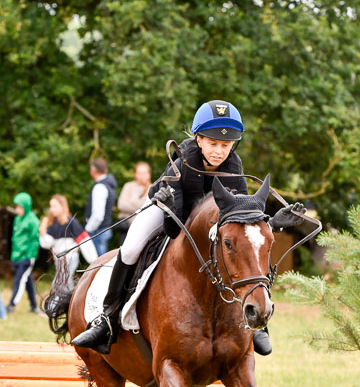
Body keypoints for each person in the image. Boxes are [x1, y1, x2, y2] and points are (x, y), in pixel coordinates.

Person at [72, 100, 305, 355]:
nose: (219, 151)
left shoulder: (233, 165)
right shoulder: (182, 161)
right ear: (199, 140)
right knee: (130, 249)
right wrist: (169, 206)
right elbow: (175, 231)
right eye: (213, 143)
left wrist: (272, 223)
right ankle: (107, 319)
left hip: (207, 219)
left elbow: (242, 220)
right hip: (167, 209)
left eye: (225, 145)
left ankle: (259, 326)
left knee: (243, 253)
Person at [39, 194, 98, 285]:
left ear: (62, 206)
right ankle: (73, 295)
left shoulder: (71, 221)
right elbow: (48, 244)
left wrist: (93, 260)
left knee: (59, 283)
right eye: (51, 206)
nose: (51, 209)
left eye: (54, 206)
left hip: (69, 258)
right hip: (58, 260)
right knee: (66, 283)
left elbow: (84, 241)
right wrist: (43, 232)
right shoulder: (53, 223)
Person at [7, 192, 41, 314]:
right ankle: (34, 306)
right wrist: (14, 255)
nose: (17, 209)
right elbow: (15, 238)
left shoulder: (33, 221)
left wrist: (29, 256)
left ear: (26, 206)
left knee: (19, 279)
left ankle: (12, 304)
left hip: (27, 257)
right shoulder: (17, 219)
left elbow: (35, 240)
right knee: (27, 281)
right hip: (17, 255)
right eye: (16, 206)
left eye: (20, 207)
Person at [84, 158, 118, 257]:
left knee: (98, 263)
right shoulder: (109, 185)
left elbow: (98, 216)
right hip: (104, 229)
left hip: (98, 231)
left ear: (93, 170)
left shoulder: (100, 187)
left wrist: (87, 229)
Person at [116, 162, 152, 245]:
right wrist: (141, 205)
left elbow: (149, 207)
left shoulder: (152, 188)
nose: (141, 176)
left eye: (143, 173)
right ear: (135, 174)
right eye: (139, 173)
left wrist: (132, 202)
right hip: (126, 228)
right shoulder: (128, 186)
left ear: (149, 174)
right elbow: (121, 205)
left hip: (142, 229)